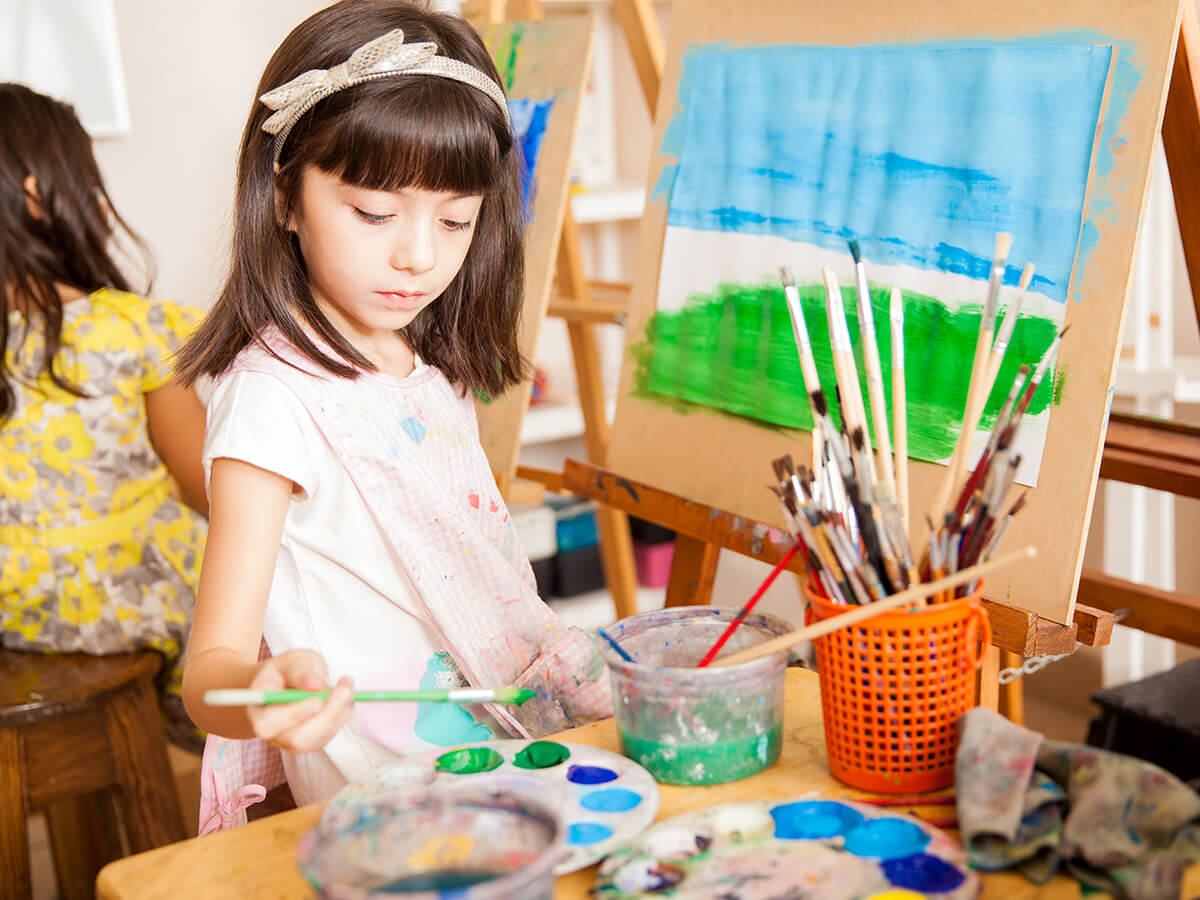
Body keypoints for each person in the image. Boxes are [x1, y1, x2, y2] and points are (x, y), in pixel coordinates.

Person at [177, 0, 611, 832]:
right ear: (283, 198)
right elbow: (212, 670)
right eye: (375, 213)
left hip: (503, 762)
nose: (419, 254)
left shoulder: (430, 368)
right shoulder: (272, 398)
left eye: (456, 220)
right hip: (386, 806)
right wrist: (259, 697)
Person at [0, 82, 209, 752]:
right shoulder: (129, 330)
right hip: (126, 601)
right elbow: (204, 483)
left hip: (12, 608)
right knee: (253, 600)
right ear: (38, 196)